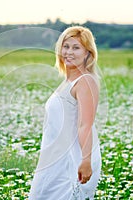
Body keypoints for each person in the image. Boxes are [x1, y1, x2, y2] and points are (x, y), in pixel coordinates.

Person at [29, 26, 102, 200]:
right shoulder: (68, 81)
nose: (69, 52)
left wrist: (86, 161)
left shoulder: (85, 81)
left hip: (72, 160)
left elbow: (86, 125)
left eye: (76, 47)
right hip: (54, 159)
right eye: (65, 46)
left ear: (88, 53)